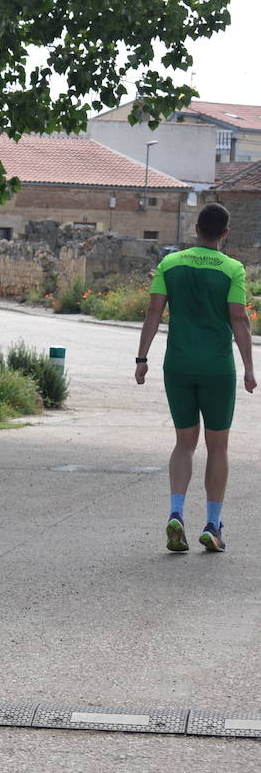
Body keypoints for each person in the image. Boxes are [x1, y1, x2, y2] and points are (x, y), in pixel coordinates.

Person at [135, 202, 255, 553]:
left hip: (178, 366)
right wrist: (249, 368)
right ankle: (213, 525)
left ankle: (176, 514)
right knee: (217, 446)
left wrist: (142, 359)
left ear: (196, 229)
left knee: (184, 443)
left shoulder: (170, 264)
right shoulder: (232, 268)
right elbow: (239, 319)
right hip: (217, 368)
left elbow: (154, 311)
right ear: (225, 233)